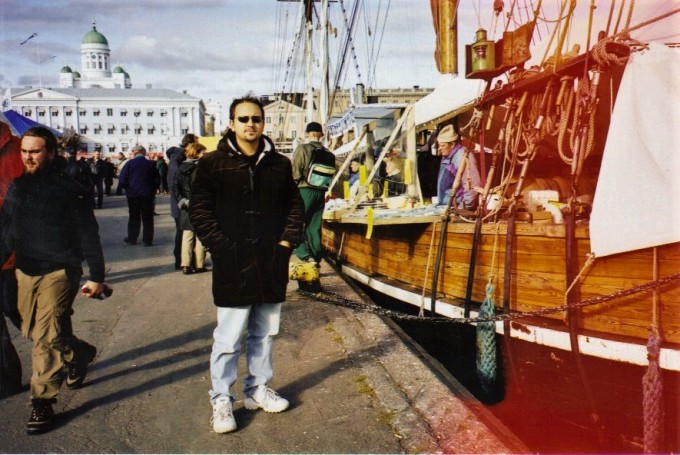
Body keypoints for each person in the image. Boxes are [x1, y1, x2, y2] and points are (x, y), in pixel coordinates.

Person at [189, 95, 304, 434]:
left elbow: (294, 207)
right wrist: (222, 248)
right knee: (228, 336)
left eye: (256, 118)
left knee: (265, 333)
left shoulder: (279, 165)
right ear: (231, 123)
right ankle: (222, 398)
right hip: (233, 262)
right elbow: (199, 211)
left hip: (271, 260)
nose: (250, 124)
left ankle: (256, 389)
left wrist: (285, 243)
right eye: (243, 119)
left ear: (263, 123)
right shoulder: (212, 163)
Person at [0, 126, 107, 434]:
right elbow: (7, 233)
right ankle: (78, 353)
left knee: (46, 336)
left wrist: (96, 275)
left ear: (50, 153)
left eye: (34, 151)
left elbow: (88, 233)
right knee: (34, 331)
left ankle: (42, 401)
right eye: (24, 151)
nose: (28, 157)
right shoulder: (18, 188)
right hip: (24, 270)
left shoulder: (69, 188)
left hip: (60, 270)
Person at [0, 121, 25, 399]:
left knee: (18, 312)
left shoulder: (21, 150)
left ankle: (70, 350)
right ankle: (7, 380)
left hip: (16, 254)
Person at [291, 121, 334, 266]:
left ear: (307, 134)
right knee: (314, 227)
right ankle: (316, 257)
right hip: (320, 192)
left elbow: (295, 173)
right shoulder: (328, 153)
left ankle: (304, 254)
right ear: (321, 135)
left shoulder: (302, 149)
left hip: (304, 190)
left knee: (293, 223)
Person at [172, 142, 207, 274]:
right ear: (196, 153)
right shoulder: (201, 168)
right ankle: (199, 264)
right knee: (200, 236)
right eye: (203, 153)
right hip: (200, 205)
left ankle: (185, 264)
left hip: (186, 206)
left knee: (187, 236)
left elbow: (175, 187)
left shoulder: (181, 168)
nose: (205, 155)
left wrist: (182, 201)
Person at [118, 145, 160, 246]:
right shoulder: (151, 164)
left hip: (133, 195)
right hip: (147, 195)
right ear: (144, 152)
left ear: (135, 152)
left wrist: (128, 189)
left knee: (134, 217)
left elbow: (122, 179)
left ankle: (132, 239)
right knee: (148, 218)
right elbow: (157, 180)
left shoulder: (129, 164)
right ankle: (147, 240)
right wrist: (152, 190)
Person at [167, 133, 198, 270]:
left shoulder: (178, 158)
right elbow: (175, 183)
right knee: (183, 232)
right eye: (196, 142)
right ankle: (181, 261)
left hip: (181, 202)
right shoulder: (178, 159)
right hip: (181, 204)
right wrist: (182, 201)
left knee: (185, 231)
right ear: (189, 144)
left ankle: (187, 260)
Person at [435, 124, 481, 210]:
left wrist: (463, 208)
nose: (439, 149)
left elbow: (472, 186)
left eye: (442, 146)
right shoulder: (448, 154)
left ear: (452, 144)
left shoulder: (462, 157)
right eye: (439, 145)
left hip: (458, 207)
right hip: (448, 206)